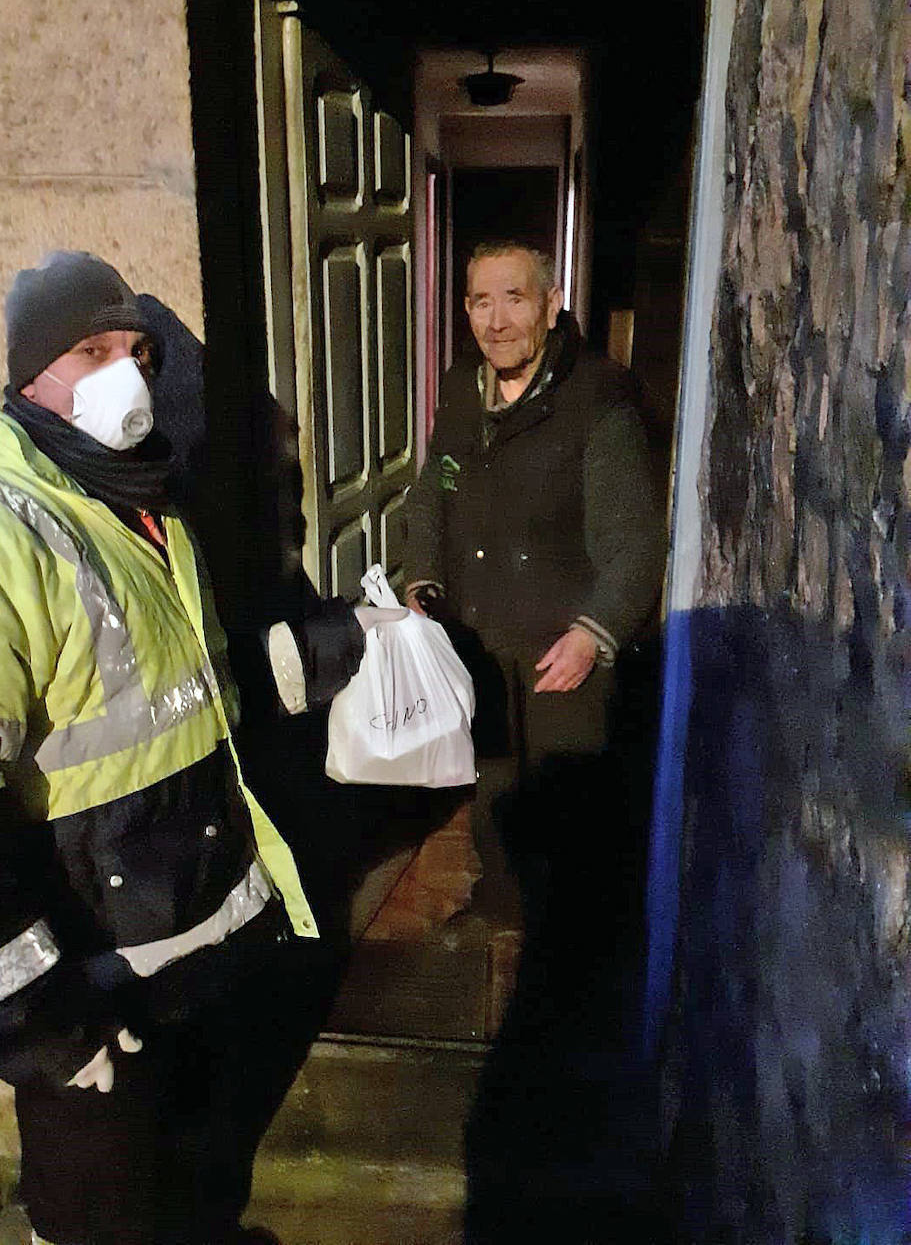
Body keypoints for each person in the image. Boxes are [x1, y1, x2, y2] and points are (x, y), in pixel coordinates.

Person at [0, 252, 394, 1245]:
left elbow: (201, 694)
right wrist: (48, 1040)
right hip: (100, 1014)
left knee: (199, 1208)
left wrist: (352, 646)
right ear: (29, 374)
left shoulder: (149, 517)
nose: (126, 374)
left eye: (140, 354)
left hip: (205, 981)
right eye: (91, 350)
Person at [402, 240, 667, 1237]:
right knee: (496, 797)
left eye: (514, 298)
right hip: (482, 643)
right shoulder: (462, 396)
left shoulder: (596, 399)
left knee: (567, 817)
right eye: (477, 301)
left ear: (550, 304)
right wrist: (421, 580)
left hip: (558, 653)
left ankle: (559, 996)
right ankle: (509, 934)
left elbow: (635, 536)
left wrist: (596, 629)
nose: (495, 318)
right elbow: (429, 492)